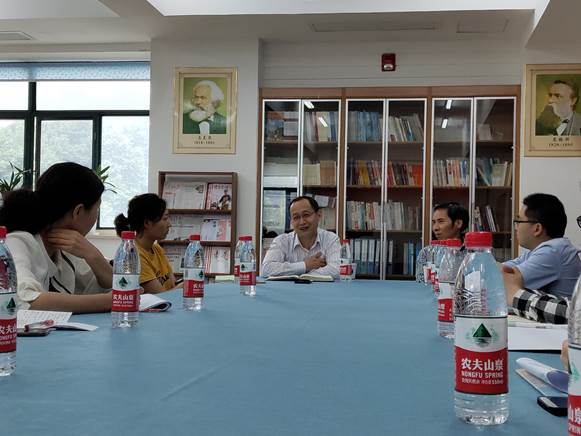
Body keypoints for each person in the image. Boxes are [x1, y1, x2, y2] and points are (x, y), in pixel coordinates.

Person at [0, 162, 112, 313]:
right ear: (78, 211)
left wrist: (93, 255)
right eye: (97, 208)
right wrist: (110, 301)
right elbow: (20, 300)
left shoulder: (65, 249)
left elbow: (116, 287)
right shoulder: (16, 242)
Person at [503, 193, 581, 298]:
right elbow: (499, 269)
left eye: (519, 221)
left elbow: (505, 283)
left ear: (537, 229)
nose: (516, 228)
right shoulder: (539, 251)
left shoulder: (553, 251)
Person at [261, 196, 341, 278]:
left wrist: (304, 276)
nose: (302, 222)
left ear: (318, 215)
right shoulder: (281, 241)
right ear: (291, 221)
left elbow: (336, 269)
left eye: (306, 215)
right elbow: (266, 269)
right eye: (296, 217)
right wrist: (305, 265)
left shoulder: (331, 239)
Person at [114, 193, 176, 294]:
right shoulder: (134, 255)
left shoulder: (157, 249)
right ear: (147, 223)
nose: (169, 224)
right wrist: (188, 285)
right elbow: (161, 296)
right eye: (165, 219)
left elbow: (173, 284)